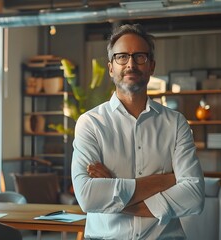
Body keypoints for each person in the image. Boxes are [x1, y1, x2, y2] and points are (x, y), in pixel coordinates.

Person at [71, 23, 205, 239]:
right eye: (121, 57)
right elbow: (87, 198)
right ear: (110, 67)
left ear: (151, 66)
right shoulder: (90, 123)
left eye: (139, 57)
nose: (130, 64)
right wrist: (165, 181)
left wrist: (113, 194)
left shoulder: (176, 123)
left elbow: (194, 197)